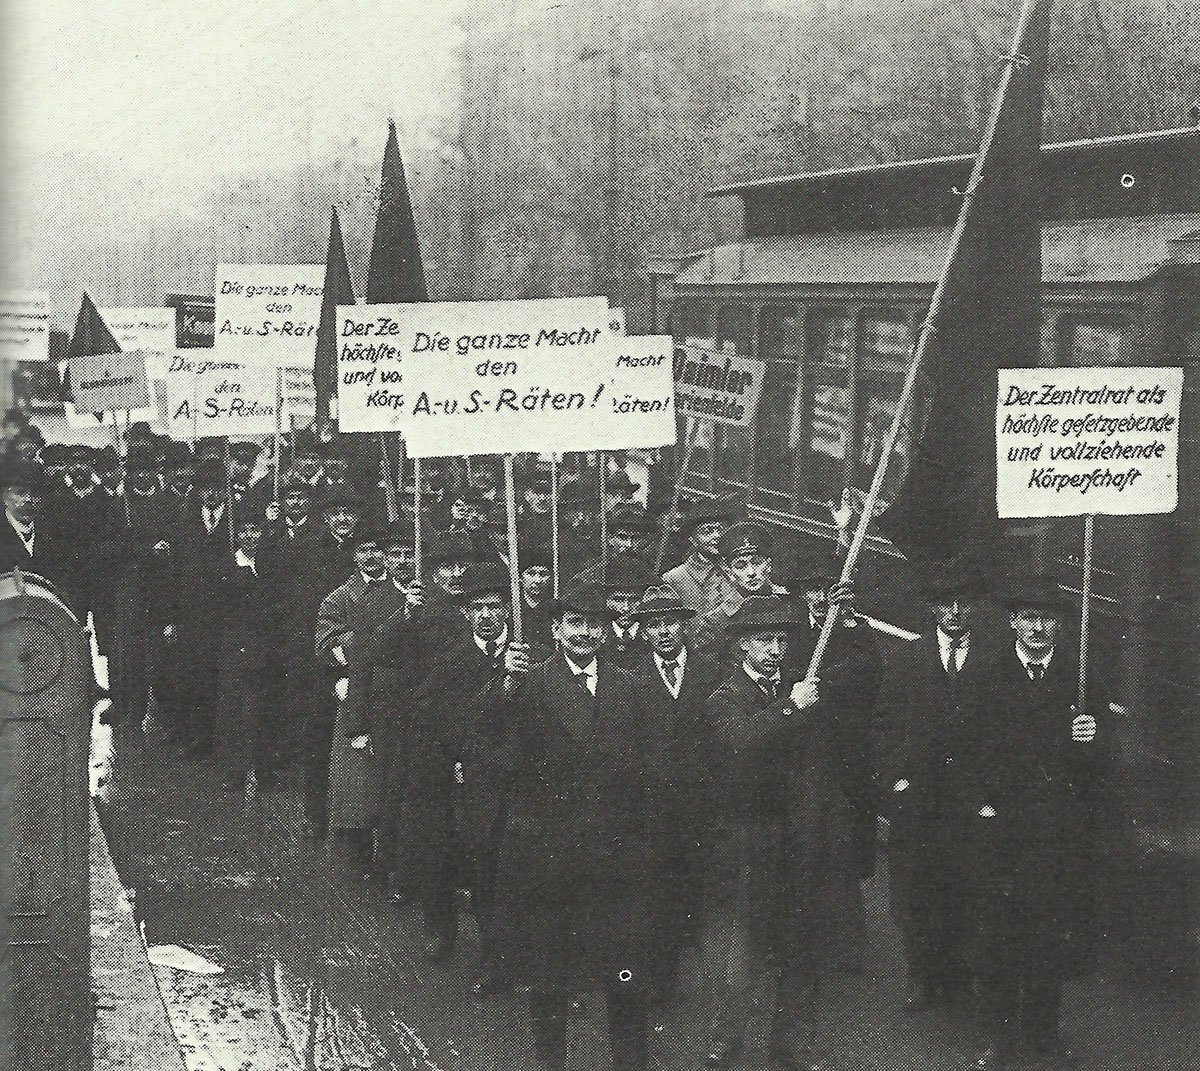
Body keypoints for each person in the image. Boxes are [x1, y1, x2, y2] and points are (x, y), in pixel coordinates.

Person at [484, 581, 653, 1071]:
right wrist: (506, 685)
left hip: (615, 855)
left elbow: (649, 769)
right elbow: (491, 743)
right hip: (549, 855)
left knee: (624, 973)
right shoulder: (528, 684)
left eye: (594, 624)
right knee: (549, 975)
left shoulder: (632, 686)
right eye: (574, 623)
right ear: (555, 629)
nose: (584, 633)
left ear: (608, 630)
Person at [968, 574, 1113, 1070]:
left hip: (1055, 829)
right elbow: (963, 748)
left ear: (1060, 626)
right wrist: (982, 805)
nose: (1037, 627)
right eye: (1027, 617)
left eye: (1046, 618)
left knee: (1049, 931)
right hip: (1002, 826)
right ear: (1012, 621)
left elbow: (1102, 762)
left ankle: (1042, 1031)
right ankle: (998, 1036)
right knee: (998, 935)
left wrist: (1091, 736)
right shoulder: (985, 674)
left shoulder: (1080, 679)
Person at [880, 563, 992, 1017]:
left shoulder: (992, 659)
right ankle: (924, 977)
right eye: (945, 604)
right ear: (931, 609)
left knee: (967, 889)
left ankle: (961, 979)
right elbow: (884, 726)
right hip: (918, 801)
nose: (954, 612)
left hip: (971, 802)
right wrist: (894, 783)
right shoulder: (907, 658)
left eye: (963, 604)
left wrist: (989, 795)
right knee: (916, 891)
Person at [627, 586, 723, 999]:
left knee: (700, 890)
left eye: (671, 623)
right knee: (655, 893)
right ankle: (660, 977)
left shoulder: (712, 670)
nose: (664, 632)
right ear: (644, 632)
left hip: (702, 805)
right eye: (654, 625)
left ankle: (706, 971)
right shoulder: (627, 675)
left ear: (686, 625)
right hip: (650, 808)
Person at [317, 527, 408, 869]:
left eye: (406, 554)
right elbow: (327, 645)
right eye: (364, 551)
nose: (374, 558)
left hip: (403, 696)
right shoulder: (347, 598)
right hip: (363, 691)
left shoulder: (419, 596)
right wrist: (353, 652)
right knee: (360, 781)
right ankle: (356, 850)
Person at [160, 459, 234, 756]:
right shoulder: (184, 522)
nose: (211, 495)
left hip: (228, 614)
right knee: (195, 677)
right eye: (205, 490)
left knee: (224, 677)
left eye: (217, 489)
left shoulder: (236, 521)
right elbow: (173, 575)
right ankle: (198, 736)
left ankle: (223, 739)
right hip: (193, 614)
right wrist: (172, 618)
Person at [214, 515, 273, 792]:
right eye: (245, 531)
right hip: (235, 648)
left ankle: (264, 770)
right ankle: (233, 771)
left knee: (263, 710)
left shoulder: (270, 565)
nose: (251, 536)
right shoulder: (227, 567)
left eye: (256, 530)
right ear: (237, 535)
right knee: (233, 711)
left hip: (265, 647)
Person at [690, 521, 786, 671]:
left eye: (757, 562)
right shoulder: (714, 622)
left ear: (768, 564)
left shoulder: (789, 604)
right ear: (729, 572)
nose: (751, 572)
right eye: (741, 566)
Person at [661, 494, 743, 614]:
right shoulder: (674, 578)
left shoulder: (743, 570)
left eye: (721, 529)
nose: (716, 536)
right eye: (707, 531)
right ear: (692, 539)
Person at [601, 555, 656, 670]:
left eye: (634, 599)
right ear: (606, 600)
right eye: (618, 600)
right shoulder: (598, 636)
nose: (625, 608)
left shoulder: (655, 635)